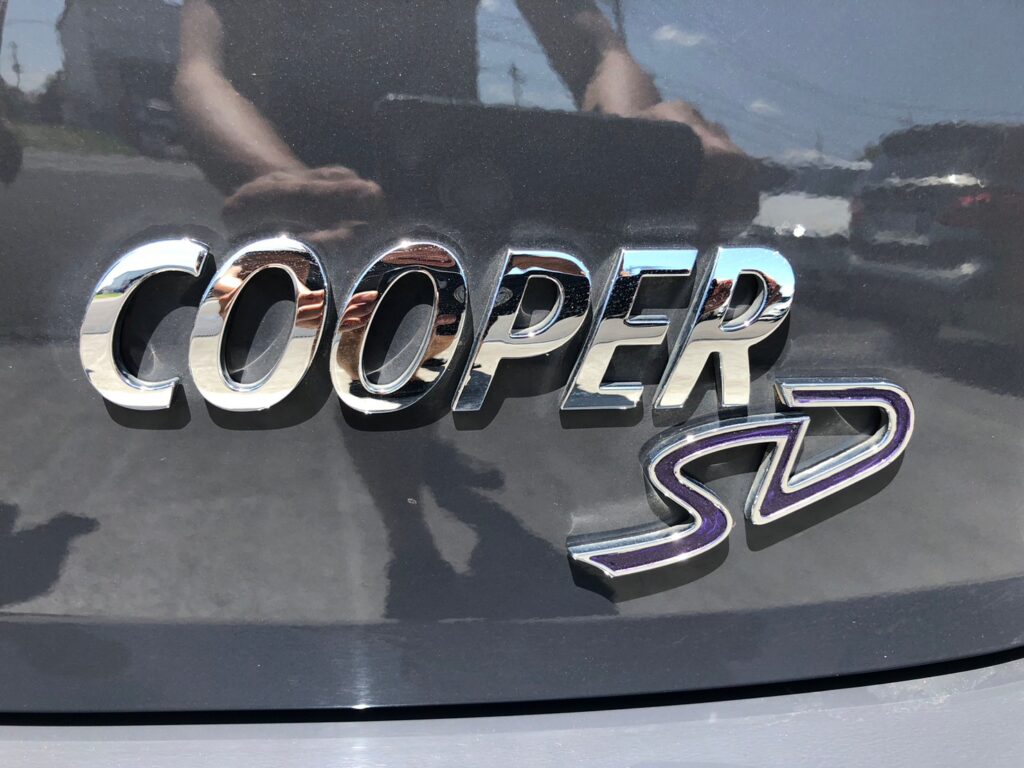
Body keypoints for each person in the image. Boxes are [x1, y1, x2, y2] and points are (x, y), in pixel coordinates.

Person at [174, 0, 756, 242]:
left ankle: (412, 450)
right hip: (295, 183)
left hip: (446, 182)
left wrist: (641, 143)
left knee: (415, 381)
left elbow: (597, 51)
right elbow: (203, 69)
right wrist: (283, 178)